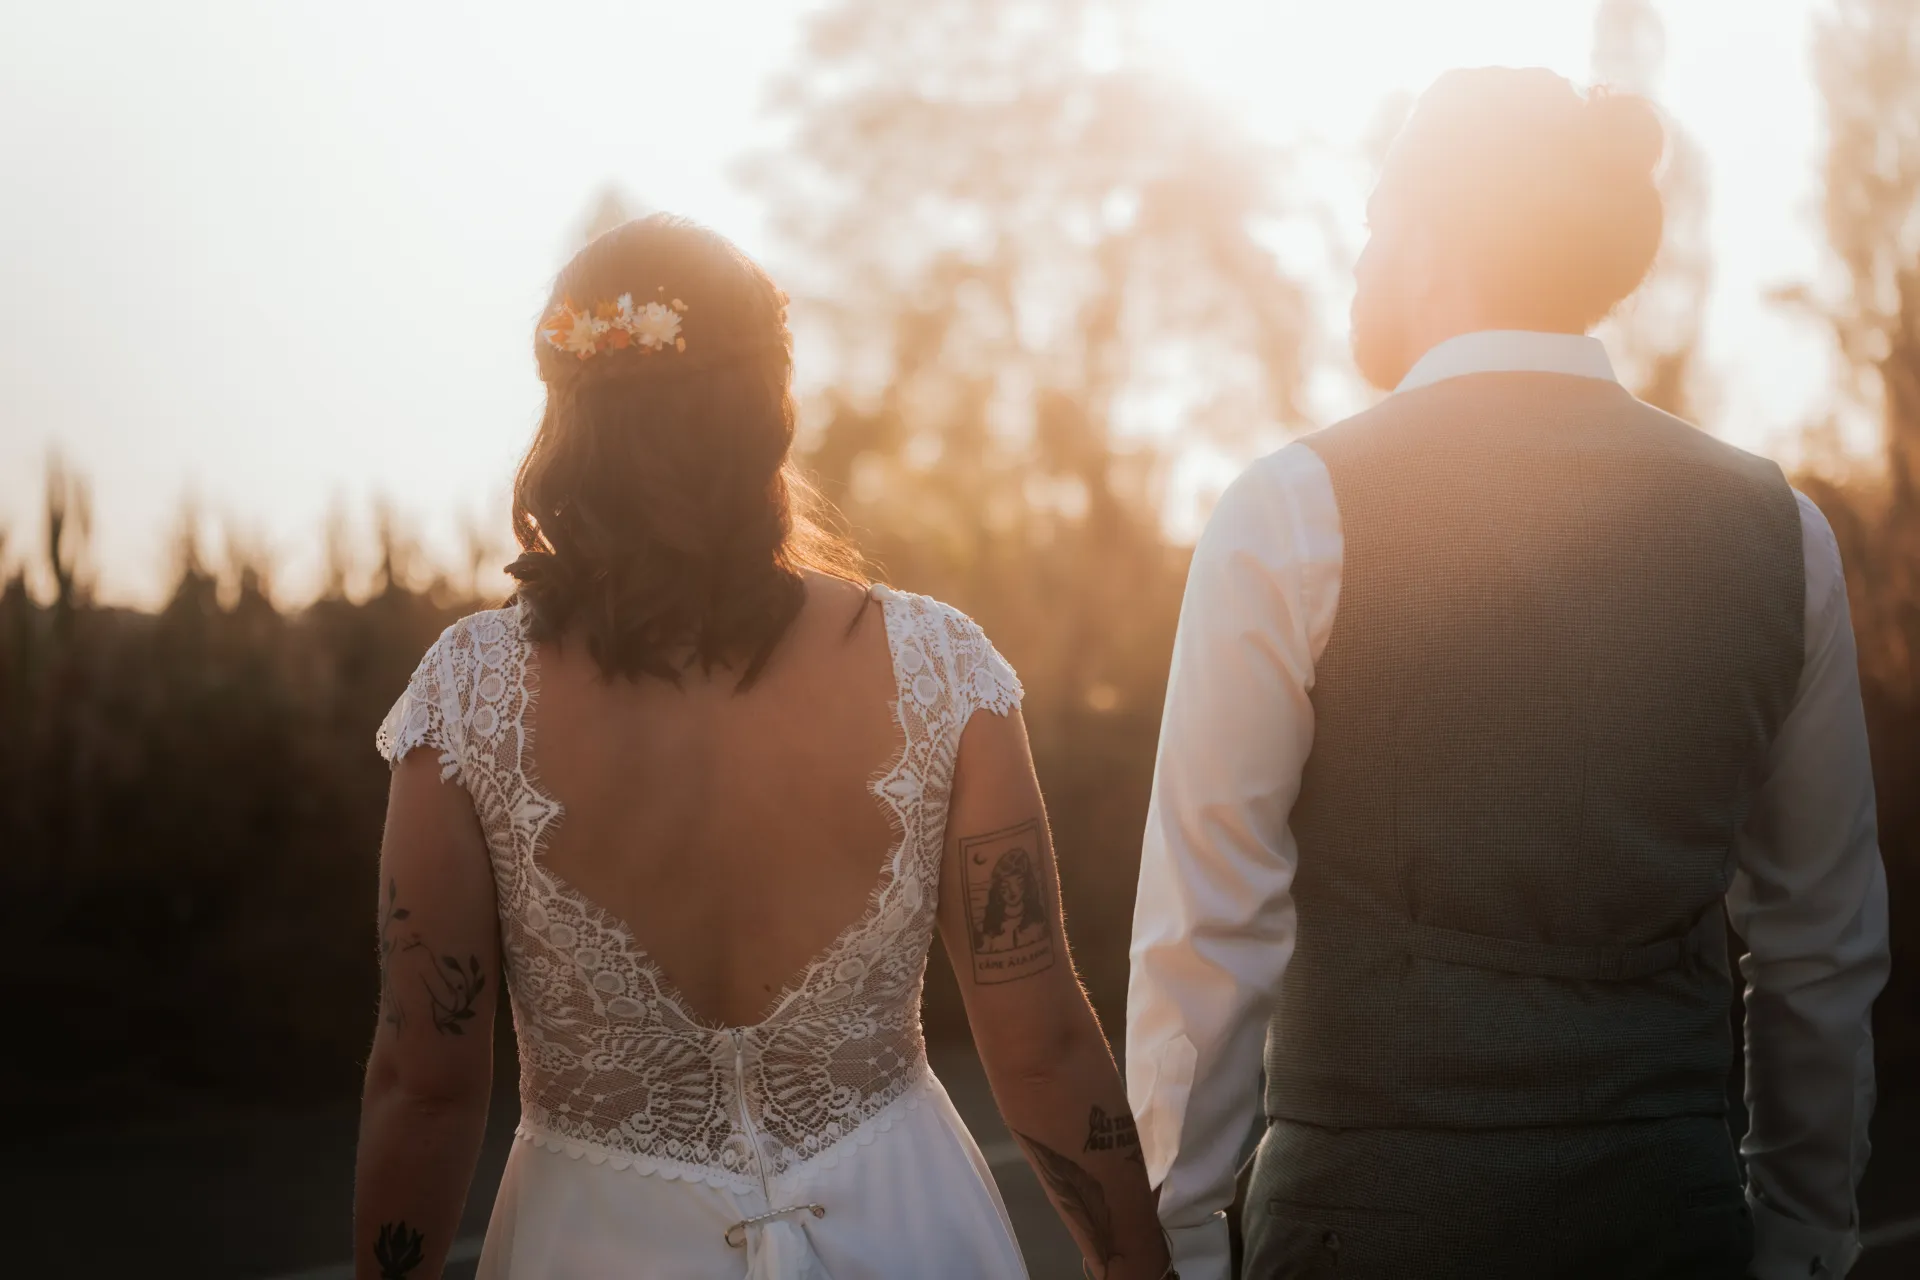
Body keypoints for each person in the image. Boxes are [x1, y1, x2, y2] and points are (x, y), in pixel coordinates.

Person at [1127, 67, 1890, 1280]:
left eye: (1375, 223)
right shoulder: (1778, 529)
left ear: (1433, 239)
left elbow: (1206, 928)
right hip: (1672, 1216)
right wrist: (1799, 1233)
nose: (1360, 262)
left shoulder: (1291, 511)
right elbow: (1822, 935)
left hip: (1366, 1225)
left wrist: (1174, 1238)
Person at [352, 215, 1171, 1280]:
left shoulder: (466, 698)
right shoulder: (940, 668)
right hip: (911, 1232)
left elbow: (424, 1079)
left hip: (595, 1244)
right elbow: (1044, 1034)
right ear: (769, 409)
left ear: (568, 417)